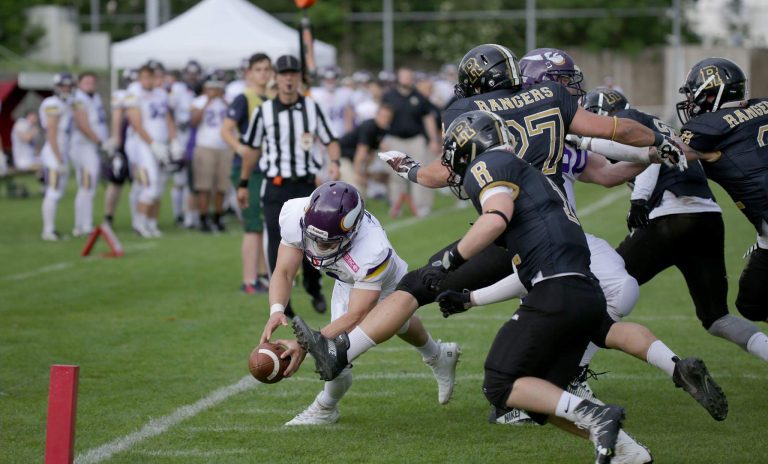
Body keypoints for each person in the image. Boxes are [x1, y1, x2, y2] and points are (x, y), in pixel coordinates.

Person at [294, 112, 728, 462]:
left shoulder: (492, 165)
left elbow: (496, 215)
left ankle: (597, 415)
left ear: (467, 150)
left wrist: (452, 259)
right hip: (579, 285)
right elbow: (527, 263)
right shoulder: (538, 182)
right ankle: (631, 450)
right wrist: (472, 297)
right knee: (550, 392)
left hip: (556, 289)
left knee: (501, 385)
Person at [574, 86, 768, 363]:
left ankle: (574, 372)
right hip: (708, 218)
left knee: (605, 289)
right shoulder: (656, 123)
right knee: (717, 318)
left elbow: (654, 153)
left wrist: (639, 197)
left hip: (671, 216)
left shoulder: (630, 119)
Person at [261, 181, 459, 425]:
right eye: (313, 239)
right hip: (347, 278)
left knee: (336, 352)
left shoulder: (372, 250)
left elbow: (357, 315)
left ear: (351, 233)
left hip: (380, 279)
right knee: (398, 322)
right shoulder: (295, 213)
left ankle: (325, 407)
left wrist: (306, 344)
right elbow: (283, 271)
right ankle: (439, 355)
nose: (317, 247)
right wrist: (276, 309)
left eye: (327, 243)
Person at [238, 54, 341, 317]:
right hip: (275, 186)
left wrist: (335, 162)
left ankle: (312, 285)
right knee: (276, 242)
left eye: (293, 73)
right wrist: (243, 183)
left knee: (314, 240)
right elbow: (251, 150)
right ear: (276, 77)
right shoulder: (263, 112)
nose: (288, 78)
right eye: (284, 74)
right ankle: (283, 303)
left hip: (305, 185)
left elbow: (330, 138)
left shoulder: (312, 108)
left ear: (299, 78)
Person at [677, 57, 768, 330]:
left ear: (711, 92)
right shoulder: (762, 105)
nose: (691, 102)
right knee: (752, 301)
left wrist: (588, 141)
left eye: (694, 95)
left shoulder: (709, 129)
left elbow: (660, 153)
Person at [222, 53, 272, 294]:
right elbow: (226, 129)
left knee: (263, 224)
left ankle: (262, 275)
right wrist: (241, 149)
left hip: (267, 168)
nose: (263, 73)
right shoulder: (244, 98)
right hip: (248, 170)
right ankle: (249, 280)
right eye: (259, 69)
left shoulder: (271, 98)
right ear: (249, 73)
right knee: (253, 225)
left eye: (266, 69)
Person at [124, 64, 180, 238]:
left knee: (160, 187)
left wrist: (174, 140)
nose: (149, 81)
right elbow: (136, 123)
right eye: (145, 77)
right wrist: (153, 144)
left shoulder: (161, 93)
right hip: (144, 145)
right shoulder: (134, 93)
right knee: (150, 185)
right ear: (140, 78)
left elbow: (168, 118)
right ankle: (139, 223)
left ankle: (151, 223)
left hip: (161, 143)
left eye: (152, 76)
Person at [381, 67, 442, 217]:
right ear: (399, 78)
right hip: (395, 139)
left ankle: (422, 206)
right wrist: (382, 137)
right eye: (404, 76)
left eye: (409, 76)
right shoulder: (389, 96)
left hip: (416, 139)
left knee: (421, 172)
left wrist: (433, 140)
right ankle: (396, 206)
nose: (407, 79)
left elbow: (428, 119)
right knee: (395, 175)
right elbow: (383, 117)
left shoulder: (419, 97)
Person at [190, 72, 232, 232]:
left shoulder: (226, 102)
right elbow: (193, 122)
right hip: (205, 146)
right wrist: (207, 102)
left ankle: (218, 216)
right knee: (204, 185)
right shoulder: (199, 102)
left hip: (224, 147)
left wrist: (221, 99)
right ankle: (203, 217)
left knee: (222, 186)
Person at [71, 72, 109, 236]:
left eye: (92, 82)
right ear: (79, 83)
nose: (90, 85)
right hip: (83, 146)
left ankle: (84, 223)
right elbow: (82, 125)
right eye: (86, 82)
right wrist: (100, 142)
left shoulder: (95, 97)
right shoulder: (79, 99)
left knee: (88, 186)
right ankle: (82, 225)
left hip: (92, 147)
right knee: (87, 185)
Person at [40, 73, 75, 241]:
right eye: (63, 86)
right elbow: (51, 133)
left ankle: (50, 229)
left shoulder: (65, 104)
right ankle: (48, 230)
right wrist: (59, 158)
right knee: (53, 192)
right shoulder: (52, 104)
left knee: (58, 192)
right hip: (54, 154)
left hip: (61, 153)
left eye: (68, 86)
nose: (66, 89)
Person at [103, 69, 135, 227]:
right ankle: (108, 216)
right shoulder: (122, 95)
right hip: (124, 143)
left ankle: (139, 218)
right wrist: (117, 142)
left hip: (137, 144)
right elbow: (117, 117)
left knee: (138, 183)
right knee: (116, 182)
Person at [337, 104, 393, 192]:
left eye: (388, 117)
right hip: (341, 155)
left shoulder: (382, 130)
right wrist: (358, 175)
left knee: (362, 188)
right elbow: (361, 152)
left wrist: (364, 173)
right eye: (383, 116)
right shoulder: (369, 127)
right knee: (354, 186)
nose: (385, 119)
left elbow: (371, 154)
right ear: (377, 115)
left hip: (353, 158)